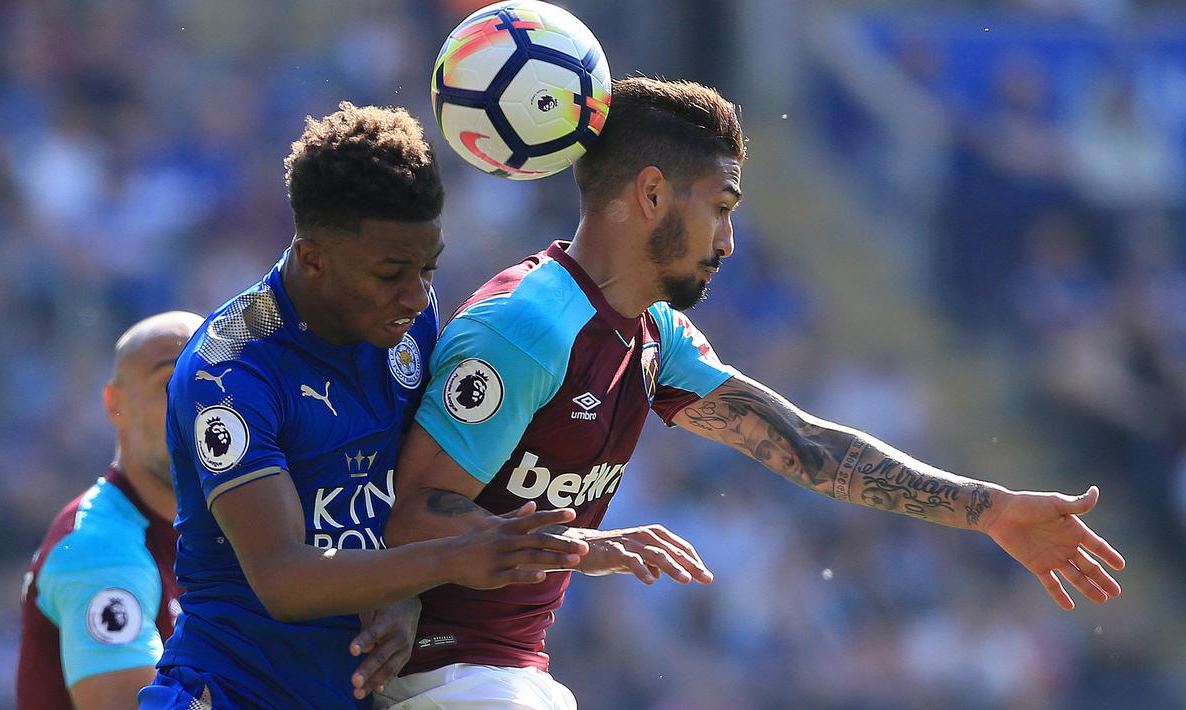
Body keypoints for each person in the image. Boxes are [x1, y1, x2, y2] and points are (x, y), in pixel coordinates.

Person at [378, 78, 1127, 708]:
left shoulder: (651, 334)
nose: (729, 242)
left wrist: (987, 509)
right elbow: (411, 516)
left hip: (514, 670)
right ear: (649, 194)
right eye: (722, 207)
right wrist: (582, 547)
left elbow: (804, 447)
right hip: (438, 671)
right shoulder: (528, 327)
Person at [138, 102, 587, 710]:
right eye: (390, 273)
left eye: (429, 268)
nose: (416, 295)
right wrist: (450, 559)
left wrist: (407, 592)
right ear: (314, 255)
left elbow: (407, 497)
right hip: (230, 690)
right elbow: (283, 577)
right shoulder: (230, 370)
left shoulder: (404, 321)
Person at [17, 311, 203, 710]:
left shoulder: (217, 532)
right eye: (170, 384)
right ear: (116, 404)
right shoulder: (97, 548)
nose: (194, 405)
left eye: (208, 382)